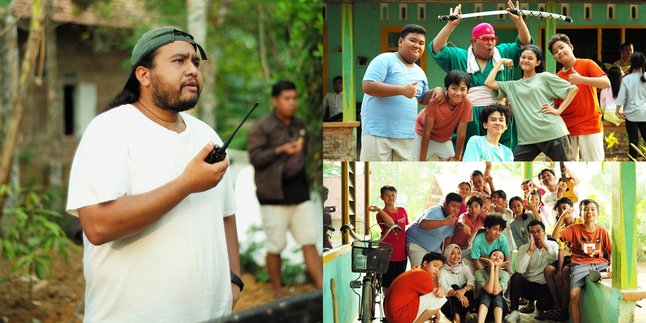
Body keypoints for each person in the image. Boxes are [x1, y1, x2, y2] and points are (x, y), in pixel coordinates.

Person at [66, 26, 241, 322]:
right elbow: (97, 225)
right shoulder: (110, 130)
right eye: (179, 61)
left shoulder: (205, 135)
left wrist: (234, 280)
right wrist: (185, 184)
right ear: (143, 75)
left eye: (196, 63)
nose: (192, 71)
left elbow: (226, 214)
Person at [247, 80, 322, 298]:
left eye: (294, 98)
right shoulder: (262, 127)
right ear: (275, 100)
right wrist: (280, 150)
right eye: (287, 98)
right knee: (276, 246)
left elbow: (303, 155)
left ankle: (319, 292)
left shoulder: (299, 125)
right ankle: (278, 291)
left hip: (299, 194)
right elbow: (255, 158)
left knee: (309, 241)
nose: (292, 103)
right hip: (273, 195)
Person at [431, 1, 532, 152]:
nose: (490, 43)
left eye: (493, 39)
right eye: (485, 39)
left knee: (500, 152)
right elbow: (437, 48)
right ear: (473, 41)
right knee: (469, 152)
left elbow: (525, 43)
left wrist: (519, 21)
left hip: (499, 113)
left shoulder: (503, 52)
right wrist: (450, 25)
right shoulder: (461, 56)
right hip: (469, 115)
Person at [485, 45, 579, 161]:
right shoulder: (512, 86)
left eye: (530, 58)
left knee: (566, 168)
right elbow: (489, 83)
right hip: (528, 139)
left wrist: (558, 110)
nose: (525, 60)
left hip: (552, 133)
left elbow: (573, 89)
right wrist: (501, 62)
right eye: (523, 57)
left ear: (538, 62)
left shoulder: (544, 77)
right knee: (512, 163)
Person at [360, 24, 431, 161]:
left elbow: (422, 98)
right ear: (400, 42)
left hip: (407, 136)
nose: (417, 45)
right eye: (413, 40)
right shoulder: (385, 59)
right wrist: (402, 90)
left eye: (421, 43)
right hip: (378, 134)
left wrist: (438, 91)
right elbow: (368, 86)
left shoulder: (420, 72)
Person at [549, 33, 611, 161]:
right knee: (569, 168)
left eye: (561, 47)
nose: (559, 52)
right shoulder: (557, 77)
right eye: (555, 51)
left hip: (590, 125)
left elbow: (606, 83)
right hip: (567, 128)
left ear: (571, 47)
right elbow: (557, 104)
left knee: (595, 166)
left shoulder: (587, 64)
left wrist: (581, 79)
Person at [552, 199, 612, 323]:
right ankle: (594, 276)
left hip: (600, 263)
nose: (589, 211)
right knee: (574, 295)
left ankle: (598, 275)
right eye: (585, 209)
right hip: (580, 264)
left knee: (615, 274)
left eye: (592, 209)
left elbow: (611, 251)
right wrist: (563, 215)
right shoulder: (574, 229)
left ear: (598, 214)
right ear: (580, 214)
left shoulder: (602, 231)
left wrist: (612, 265)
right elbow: (555, 235)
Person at [505, 220, 558, 323]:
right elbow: (519, 270)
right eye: (532, 232)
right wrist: (529, 251)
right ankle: (514, 311)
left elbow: (555, 258)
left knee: (548, 303)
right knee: (516, 277)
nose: (536, 235)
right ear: (529, 235)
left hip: (543, 286)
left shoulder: (552, 245)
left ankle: (539, 308)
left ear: (544, 232)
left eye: (539, 231)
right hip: (527, 286)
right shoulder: (523, 248)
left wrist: (544, 245)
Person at [416, 70, 473, 161]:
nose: (458, 93)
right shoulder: (436, 101)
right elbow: (426, 132)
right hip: (422, 133)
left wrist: (457, 157)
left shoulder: (467, 103)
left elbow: (461, 132)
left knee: (454, 168)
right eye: (454, 88)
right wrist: (422, 161)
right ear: (446, 89)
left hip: (444, 138)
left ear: (468, 91)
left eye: (463, 89)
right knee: (415, 164)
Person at [543, 197, 583, 321]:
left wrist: (562, 271)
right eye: (560, 210)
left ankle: (563, 308)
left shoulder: (579, 221)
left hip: (578, 256)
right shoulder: (561, 228)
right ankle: (556, 304)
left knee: (566, 270)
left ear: (572, 209)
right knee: (548, 270)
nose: (563, 211)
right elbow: (561, 250)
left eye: (565, 208)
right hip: (566, 257)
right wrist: (558, 271)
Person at [384, 252, 448, 323]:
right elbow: (437, 294)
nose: (437, 270)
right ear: (425, 264)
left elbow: (429, 297)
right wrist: (441, 289)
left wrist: (436, 313)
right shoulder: (424, 275)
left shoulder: (416, 271)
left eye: (440, 268)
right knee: (441, 298)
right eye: (435, 265)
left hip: (391, 316)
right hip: (398, 316)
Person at [369, 185, 409, 294]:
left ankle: (396, 309)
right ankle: (387, 309)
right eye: (387, 195)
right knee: (387, 285)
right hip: (387, 254)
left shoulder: (402, 210)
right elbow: (391, 223)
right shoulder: (380, 215)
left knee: (399, 284)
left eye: (393, 195)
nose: (390, 197)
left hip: (401, 254)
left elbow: (406, 228)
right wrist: (378, 209)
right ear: (382, 197)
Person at [406, 192, 463, 267]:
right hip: (416, 244)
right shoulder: (435, 210)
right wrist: (445, 222)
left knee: (441, 270)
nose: (455, 210)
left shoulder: (452, 219)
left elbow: (448, 239)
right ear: (445, 204)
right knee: (421, 271)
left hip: (433, 250)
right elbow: (422, 224)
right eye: (453, 206)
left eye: (458, 207)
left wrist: (445, 256)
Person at [615, 51, 646, 159]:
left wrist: (617, 111)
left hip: (631, 115)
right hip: (644, 113)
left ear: (631, 62)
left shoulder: (627, 79)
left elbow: (621, 97)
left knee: (633, 141)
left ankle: (632, 163)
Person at [439, 244, 475, 323]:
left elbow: (471, 280)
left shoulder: (463, 267)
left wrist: (464, 290)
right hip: (449, 306)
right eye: (452, 253)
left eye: (458, 253)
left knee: (467, 286)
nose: (456, 256)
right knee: (454, 286)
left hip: (465, 304)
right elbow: (444, 288)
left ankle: (464, 314)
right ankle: (457, 316)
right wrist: (458, 294)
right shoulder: (442, 271)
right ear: (447, 255)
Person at [475, 249, 511, 323]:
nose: (497, 258)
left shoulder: (505, 274)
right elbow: (489, 290)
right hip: (482, 308)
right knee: (486, 293)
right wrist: (491, 267)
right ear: (488, 258)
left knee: (497, 295)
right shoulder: (479, 273)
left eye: (501, 258)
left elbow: (495, 292)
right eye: (495, 255)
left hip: (501, 309)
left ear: (503, 265)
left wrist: (497, 269)